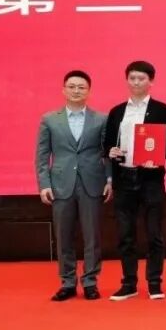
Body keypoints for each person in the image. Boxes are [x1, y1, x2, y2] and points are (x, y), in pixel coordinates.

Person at [36, 70, 112, 301]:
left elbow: (108, 153)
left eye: (81, 87)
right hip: (60, 184)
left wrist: (109, 179)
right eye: (72, 86)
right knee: (63, 236)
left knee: (92, 236)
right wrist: (44, 184)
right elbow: (42, 155)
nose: (76, 90)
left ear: (89, 91)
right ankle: (67, 282)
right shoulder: (50, 119)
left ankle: (90, 282)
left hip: (92, 183)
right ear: (63, 90)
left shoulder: (101, 119)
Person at [104, 61, 166, 301]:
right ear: (127, 80)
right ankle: (129, 283)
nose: (136, 82)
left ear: (150, 81)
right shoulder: (116, 112)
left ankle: (154, 283)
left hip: (151, 179)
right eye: (132, 78)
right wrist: (111, 151)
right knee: (125, 234)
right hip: (124, 177)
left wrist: (159, 158)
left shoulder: (163, 110)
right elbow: (107, 144)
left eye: (141, 78)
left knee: (154, 233)